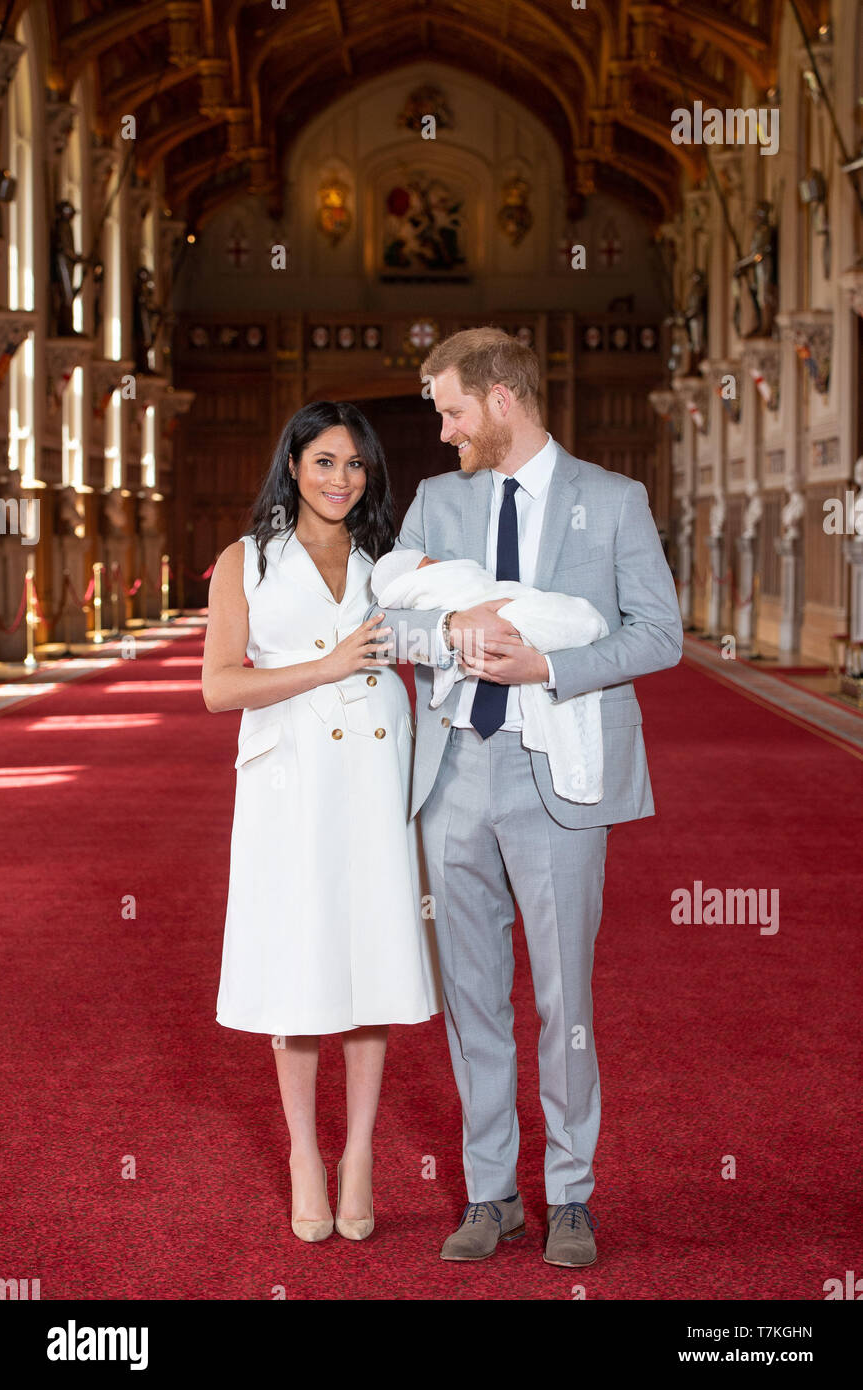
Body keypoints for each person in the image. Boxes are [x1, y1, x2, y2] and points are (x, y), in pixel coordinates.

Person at [365, 327, 683, 1267]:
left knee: (561, 995)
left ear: (502, 400)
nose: (444, 433)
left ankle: (572, 1195)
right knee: (472, 998)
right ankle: (491, 1192)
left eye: (454, 412)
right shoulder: (436, 500)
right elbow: (389, 623)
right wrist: (451, 627)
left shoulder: (613, 501)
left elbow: (659, 635)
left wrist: (548, 661)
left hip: (560, 777)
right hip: (455, 774)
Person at [202, 401, 442, 1245]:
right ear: (294, 466)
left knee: (372, 957)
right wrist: (328, 664)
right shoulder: (247, 561)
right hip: (291, 780)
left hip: (376, 773)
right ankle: (307, 1151)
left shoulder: (391, 562)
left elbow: (436, 642)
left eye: (356, 465)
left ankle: (361, 1154)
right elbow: (220, 688)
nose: (342, 479)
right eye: (325, 462)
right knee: (300, 964)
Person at [370, 548, 609, 802]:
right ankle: (581, 622)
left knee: (552, 615)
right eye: (429, 563)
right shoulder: (426, 520)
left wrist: (544, 668)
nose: (439, 562)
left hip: (537, 739)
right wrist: (451, 627)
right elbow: (376, 628)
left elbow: (654, 631)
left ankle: (581, 622)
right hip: (453, 752)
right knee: (539, 618)